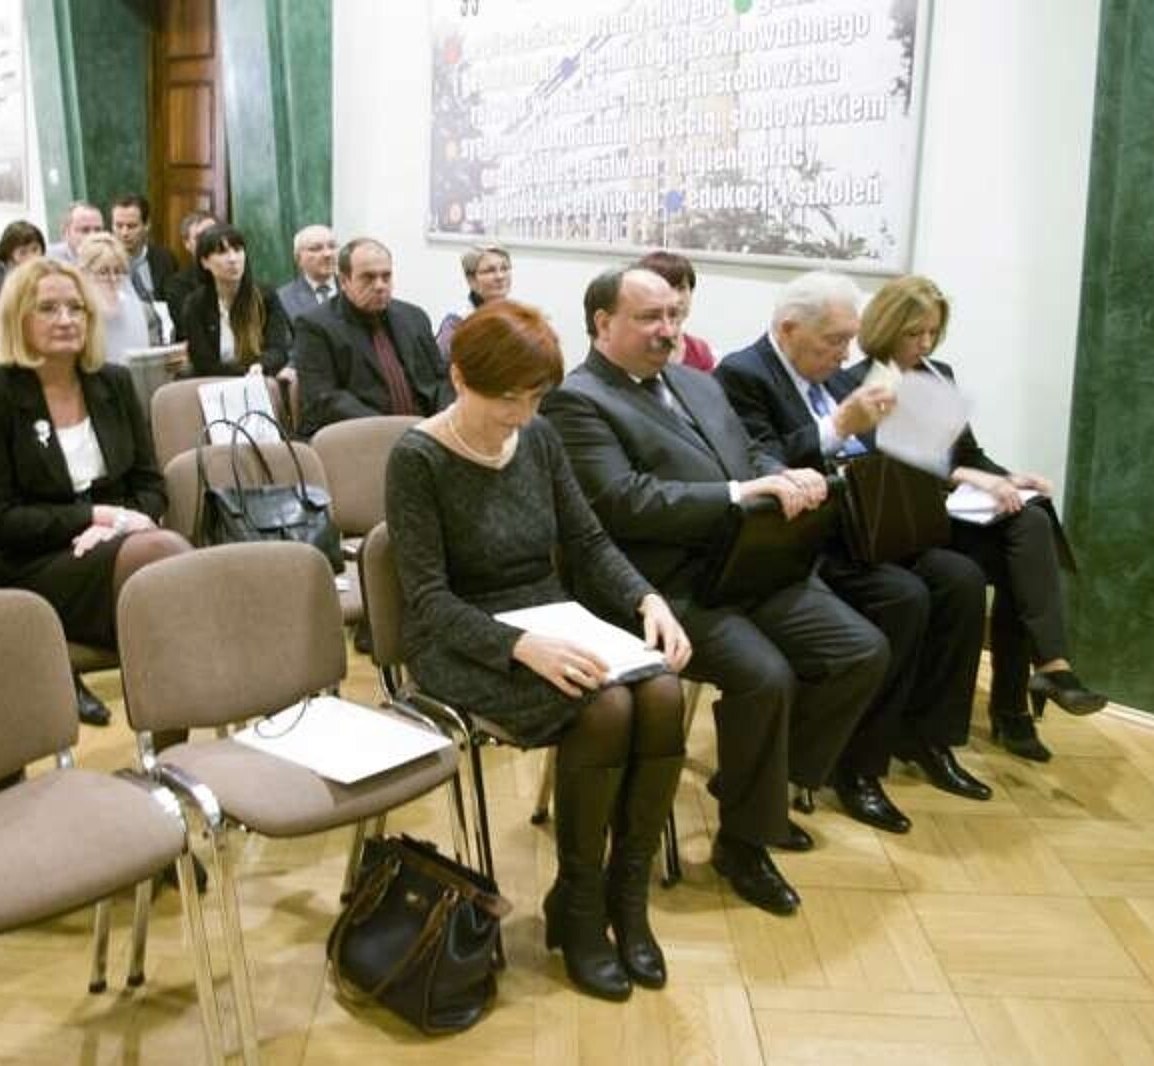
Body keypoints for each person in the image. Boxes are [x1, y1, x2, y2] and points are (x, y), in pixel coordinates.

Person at [541, 266, 887, 917]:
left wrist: (784, 476)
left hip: (749, 565)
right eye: (650, 317)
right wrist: (740, 493)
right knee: (765, 678)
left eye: (674, 315)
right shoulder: (579, 400)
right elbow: (625, 502)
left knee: (860, 651)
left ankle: (756, 784)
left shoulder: (697, 382)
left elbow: (749, 452)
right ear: (602, 323)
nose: (668, 330)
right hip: (663, 589)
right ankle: (744, 843)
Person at [387, 299, 689, 1000]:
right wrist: (520, 646)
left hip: (551, 619)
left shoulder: (540, 439)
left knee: (663, 690)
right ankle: (579, 907)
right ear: (459, 378)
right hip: (462, 640)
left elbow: (587, 541)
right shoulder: (417, 457)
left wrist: (648, 600)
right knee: (606, 707)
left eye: (534, 397)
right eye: (506, 398)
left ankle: (626, 898)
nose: (521, 415)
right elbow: (428, 599)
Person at [716, 272, 992, 819]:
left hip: (865, 526)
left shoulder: (833, 375)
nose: (846, 354)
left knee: (961, 580)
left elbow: (875, 460)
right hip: (808, 542)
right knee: (904, 596)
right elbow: (758, 463)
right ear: (789, 329)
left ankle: (928, 737)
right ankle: (858, 763)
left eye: (849, 338)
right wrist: (840, 425)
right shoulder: (745, 374)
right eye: (835, 341)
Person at [855, 274, 1106, 760]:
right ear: (886, 328)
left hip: (951, 514)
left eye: (933, 333)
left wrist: (1010, 478)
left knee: (1030, 523)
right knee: (1021, 554)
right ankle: (1020, 702)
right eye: (914, 333)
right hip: (908, 523)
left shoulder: (937, 374)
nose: (925, 344)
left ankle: (1050, 669)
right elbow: (893, 471)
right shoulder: (862, 383)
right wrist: (965, 477)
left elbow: (967, 452)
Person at [0, 258, 189, 720]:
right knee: (163, 558)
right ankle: (177, 723)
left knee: (159, 567)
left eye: (76, 308)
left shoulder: (114, 383)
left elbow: (149, 484)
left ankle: (168, 731)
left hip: (120, 550)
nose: (66, 319)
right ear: (18, 319)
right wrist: (97, 517)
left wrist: (116, 528)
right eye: (48, 308)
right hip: (33, 564)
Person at [293, 238, 453, 436]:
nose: (380, 285)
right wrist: (390, 429)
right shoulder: (315, 325)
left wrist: (441, 422)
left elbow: (441, 379)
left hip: (424, 433)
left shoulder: (414, 317)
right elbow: (324, 398)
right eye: (368, 277)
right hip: (356, 436)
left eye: (386, 276)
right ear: (344, 281)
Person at [179, 223, 291, 377]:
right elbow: (203, 362)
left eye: (238, 250)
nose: (233, 259)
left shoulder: (265, 296)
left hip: (258, 377)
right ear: (205, 262)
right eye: (222, 252)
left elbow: (278, 350)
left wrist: (260, 366)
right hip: (213, 381)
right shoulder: (195, 304)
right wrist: (243, 372)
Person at [76, 232, 164, 360]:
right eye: (103, 272)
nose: (113, 279)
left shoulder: (144, 312)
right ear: (84, 274)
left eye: (118, 272)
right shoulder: (76, 315)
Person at [638, 250, 716, 371]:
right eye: (666, 288)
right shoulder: (628, 347)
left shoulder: (700, 352)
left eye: (681, 288)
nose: (676, 299)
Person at [434, 243, 512, 358]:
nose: (500, 276)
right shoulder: (456, 323)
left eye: (505, 268)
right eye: (490, 270)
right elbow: (439, 365)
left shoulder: (517, 317)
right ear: (471, 279)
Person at [109, 192, 177, 302]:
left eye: (131, 226)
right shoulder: (103, 263)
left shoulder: (165, 259)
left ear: (147, 225)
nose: (124, 233)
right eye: (119, 226)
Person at [163, 209, 217, 338]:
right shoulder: (177, 285)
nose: (208, 242)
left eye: (213, 235)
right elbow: (189, 329)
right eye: (200, 238)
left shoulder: (236, 276)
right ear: (187, 244)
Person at [275, 224, 338, 323]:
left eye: (332, 246)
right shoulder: (283, 299)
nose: (328, 254)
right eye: (316, 248)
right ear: (298, 258)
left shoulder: (352, 289)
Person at [0, 219, 45, 296]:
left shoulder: (46, 274)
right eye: (23, 252)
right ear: (9, 255)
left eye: (35, 249)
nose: (32, 257)